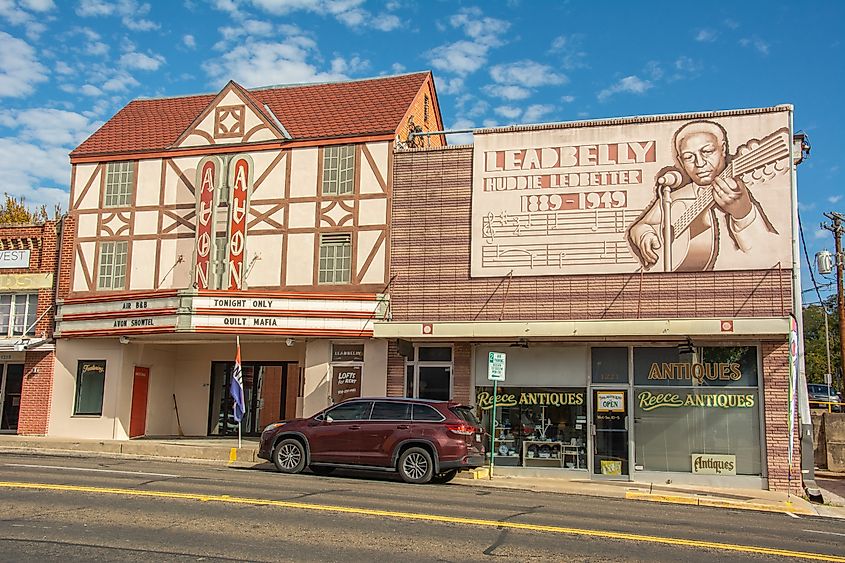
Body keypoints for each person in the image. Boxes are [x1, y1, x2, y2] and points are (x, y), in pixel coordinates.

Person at [628, 120, 778, 272]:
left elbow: (767, 255)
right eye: (688, 157)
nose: (699, 163)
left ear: (723, 149)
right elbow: (640, 226)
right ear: (680, 161)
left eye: (707, 152)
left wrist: (743, 213)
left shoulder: (738, 188)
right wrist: (644, 234)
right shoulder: (674, 198)